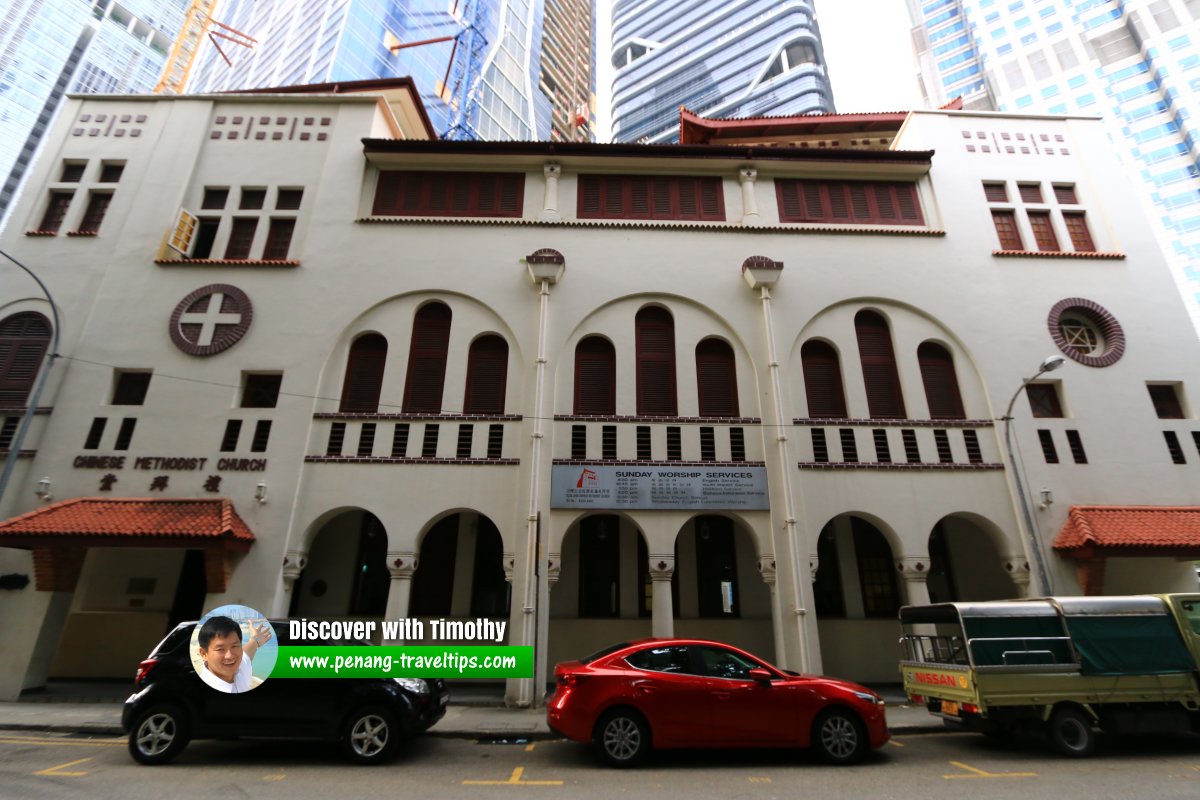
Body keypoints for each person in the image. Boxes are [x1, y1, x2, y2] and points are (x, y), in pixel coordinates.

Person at [196, 615, 271, 693]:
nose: (230, 656)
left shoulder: (240, 667)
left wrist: (255, 640)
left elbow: (248, 651)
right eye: (220, 649)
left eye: (234, 646)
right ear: (204, 654)